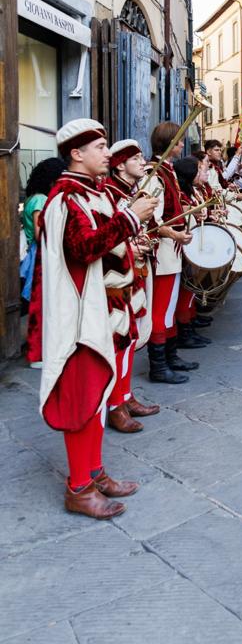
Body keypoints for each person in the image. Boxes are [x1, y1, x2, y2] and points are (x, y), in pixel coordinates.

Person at [37, 119, 157, 519]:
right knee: (83, 401)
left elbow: (105, 246)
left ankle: (93, 472)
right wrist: (130, 220)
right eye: (101, 146)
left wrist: (130, 242)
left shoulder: (94, 193)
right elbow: (81, 249)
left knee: (98, 396)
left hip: (106, 309)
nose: (109, 153)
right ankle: (79, 488)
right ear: (77, 153)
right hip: (81, 318)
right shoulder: (66, 199)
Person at [105, 139, 161, 432]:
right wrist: (129, 246)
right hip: (114, 278)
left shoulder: (129, 192)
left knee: (130, 336)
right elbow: (105, 236)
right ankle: (114, 405)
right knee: (118, 340)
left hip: (133, 273)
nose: (142, 162)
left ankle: (125, 395)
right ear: (120, 164)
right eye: (135, 158)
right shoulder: (109, 194)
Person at [146, 123, 196, 384]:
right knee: (161, 309)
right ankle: (158, 366)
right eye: (178, 142)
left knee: (170, 306)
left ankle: (170, 356)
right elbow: (150, 220)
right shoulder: (154, 174)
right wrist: (176, 234)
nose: (181, 146)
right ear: (169, 144)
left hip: (172, 249)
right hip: (163, 250)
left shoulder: (167, 171)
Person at [23, 157, 66, 367]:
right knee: (42, 302)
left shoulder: (33, 197)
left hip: (36, 251)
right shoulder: (41, 200)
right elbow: (42, 233)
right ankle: (37, 353)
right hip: (41, 253)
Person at [173, 156, 212, 350]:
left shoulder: (191, 191)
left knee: (189, 291)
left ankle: (189, 326)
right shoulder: (181, 193)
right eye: (198, 169)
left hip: (191, 243)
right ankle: (184, 332)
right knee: (184, 291)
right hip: (183, 245)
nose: (202, 172)